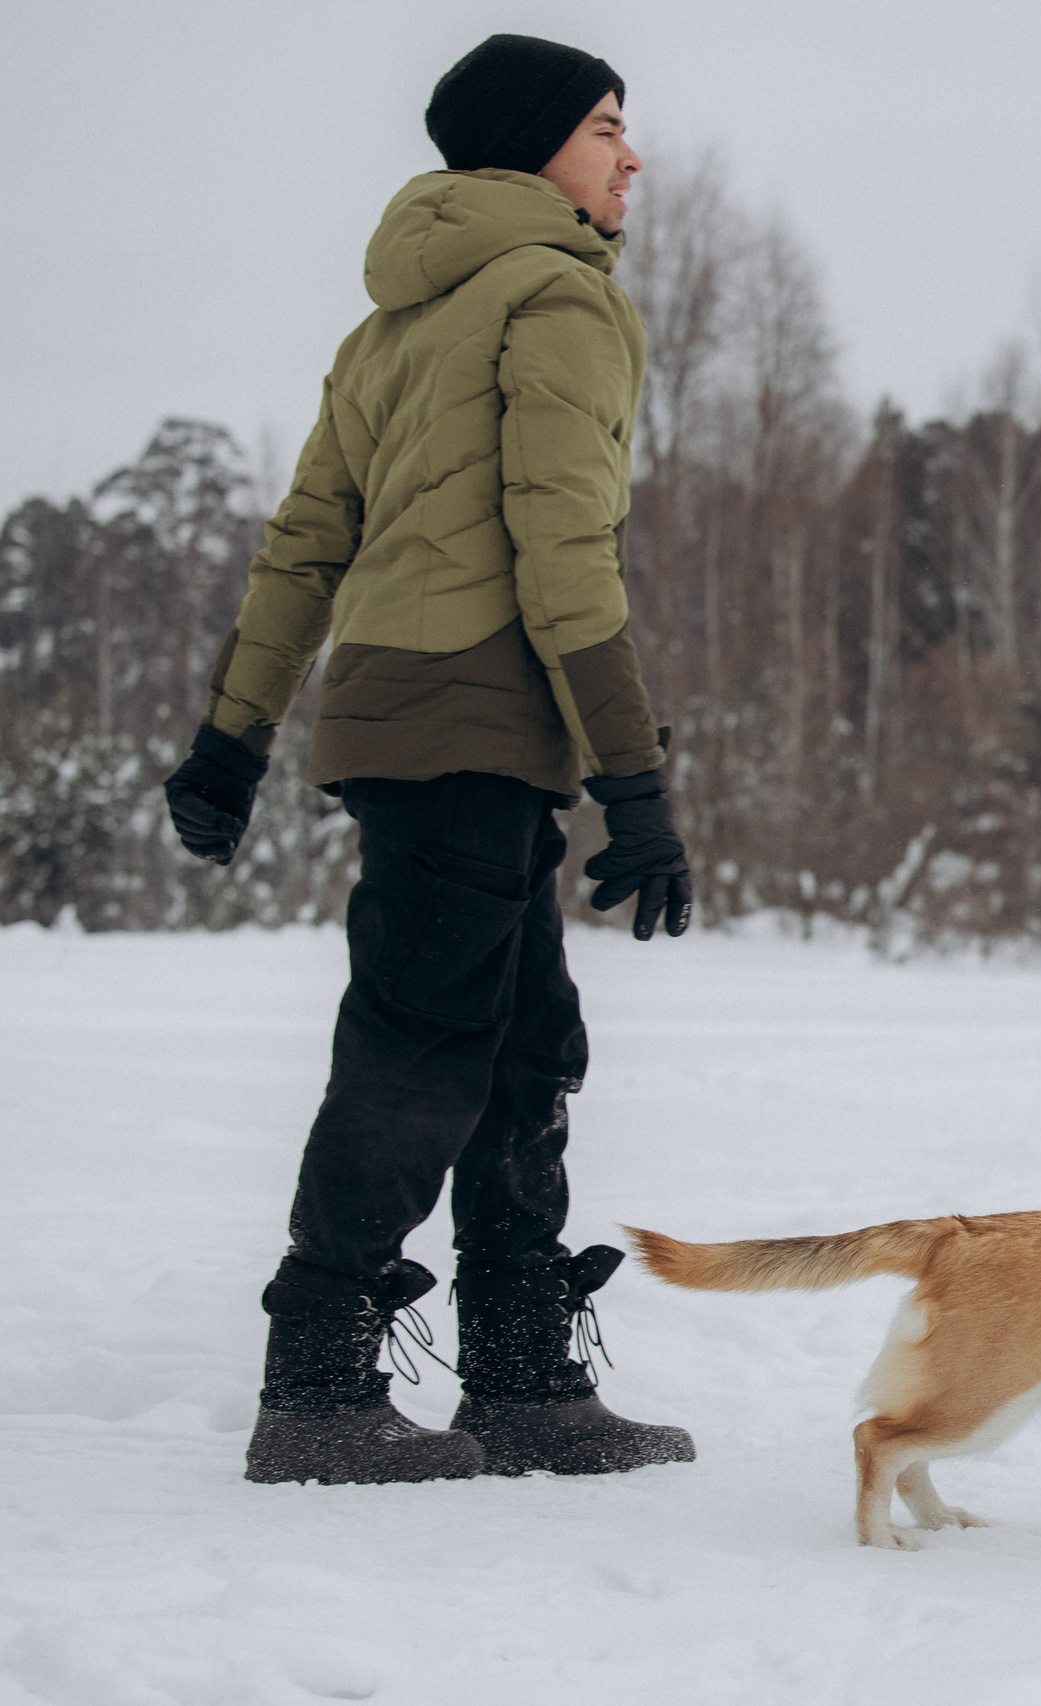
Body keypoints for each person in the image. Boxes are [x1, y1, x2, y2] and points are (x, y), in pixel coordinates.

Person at [163, 34, 696, 1486]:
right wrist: (638, 784)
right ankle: (319, 1378)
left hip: (406, 719)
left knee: (521, 1042)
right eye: (603, 128)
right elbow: (565, 561)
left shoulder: (393, 324)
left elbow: (304, 550)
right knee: (422, 1041)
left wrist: (231, 736)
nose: (630, 155)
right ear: (534, 149)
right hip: (478, 713)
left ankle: (523, 1376)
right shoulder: (559, 301)